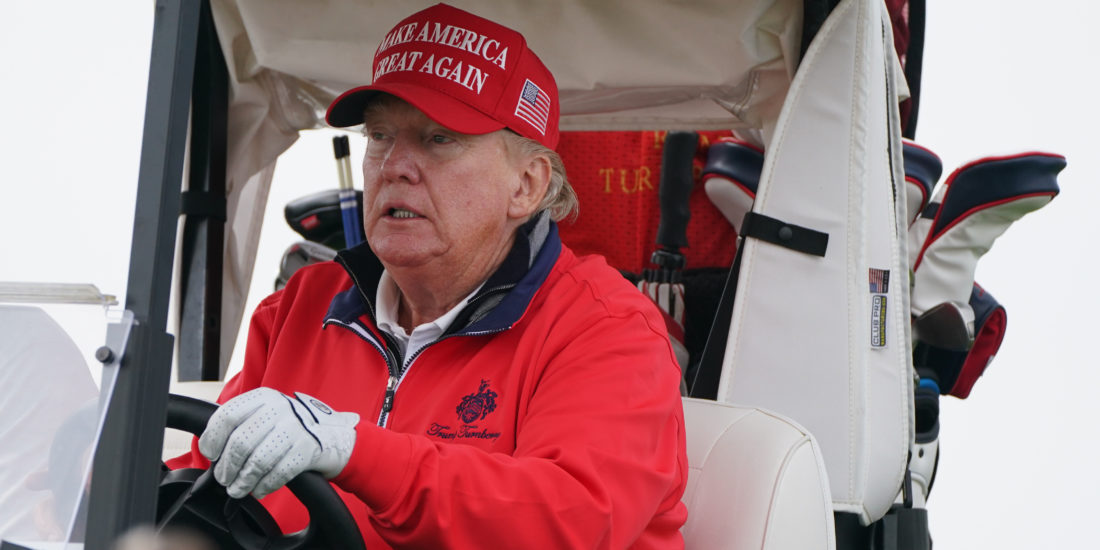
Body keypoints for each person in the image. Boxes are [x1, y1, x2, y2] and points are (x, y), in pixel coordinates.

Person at [170, 4, 688, 548]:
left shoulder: (605, 326)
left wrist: (355, 452)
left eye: (440, 139)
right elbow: (203, 481)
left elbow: (570, 519)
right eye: (380, 136)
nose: (395, 164)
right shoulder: (301, 307)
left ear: (527, 186)